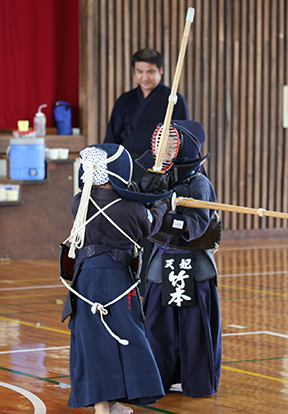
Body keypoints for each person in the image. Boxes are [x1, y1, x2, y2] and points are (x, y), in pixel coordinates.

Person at [60, 143, 172, 414]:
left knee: (95, 339)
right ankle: (105, 406)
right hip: (116, 279)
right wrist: (162, 203)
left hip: (84, 279)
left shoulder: (79, 202)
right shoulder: (130, 209)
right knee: (125, 336)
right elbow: (150, 224)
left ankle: (107, 404)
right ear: (116, 172)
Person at [140, 120, 222, 398]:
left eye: (170, 144)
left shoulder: (199, 183)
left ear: (183, 148)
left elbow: (196, 224)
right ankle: (159, 381)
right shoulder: (156, 178)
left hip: (192, 265)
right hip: (161, 262)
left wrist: (165, 217)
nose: (162, 150)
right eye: (159, 144)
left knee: (193, 330)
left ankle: (196, 382)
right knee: (157, 328)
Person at [104, 48, 190, 159]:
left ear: (161, 70)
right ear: (134, 71)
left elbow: (183, 140)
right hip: (128, 165)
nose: (145, 77)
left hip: (160, 167)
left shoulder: (174, 100)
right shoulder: (124, 100)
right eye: (139, 72)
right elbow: (112, 139)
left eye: (150, 72)